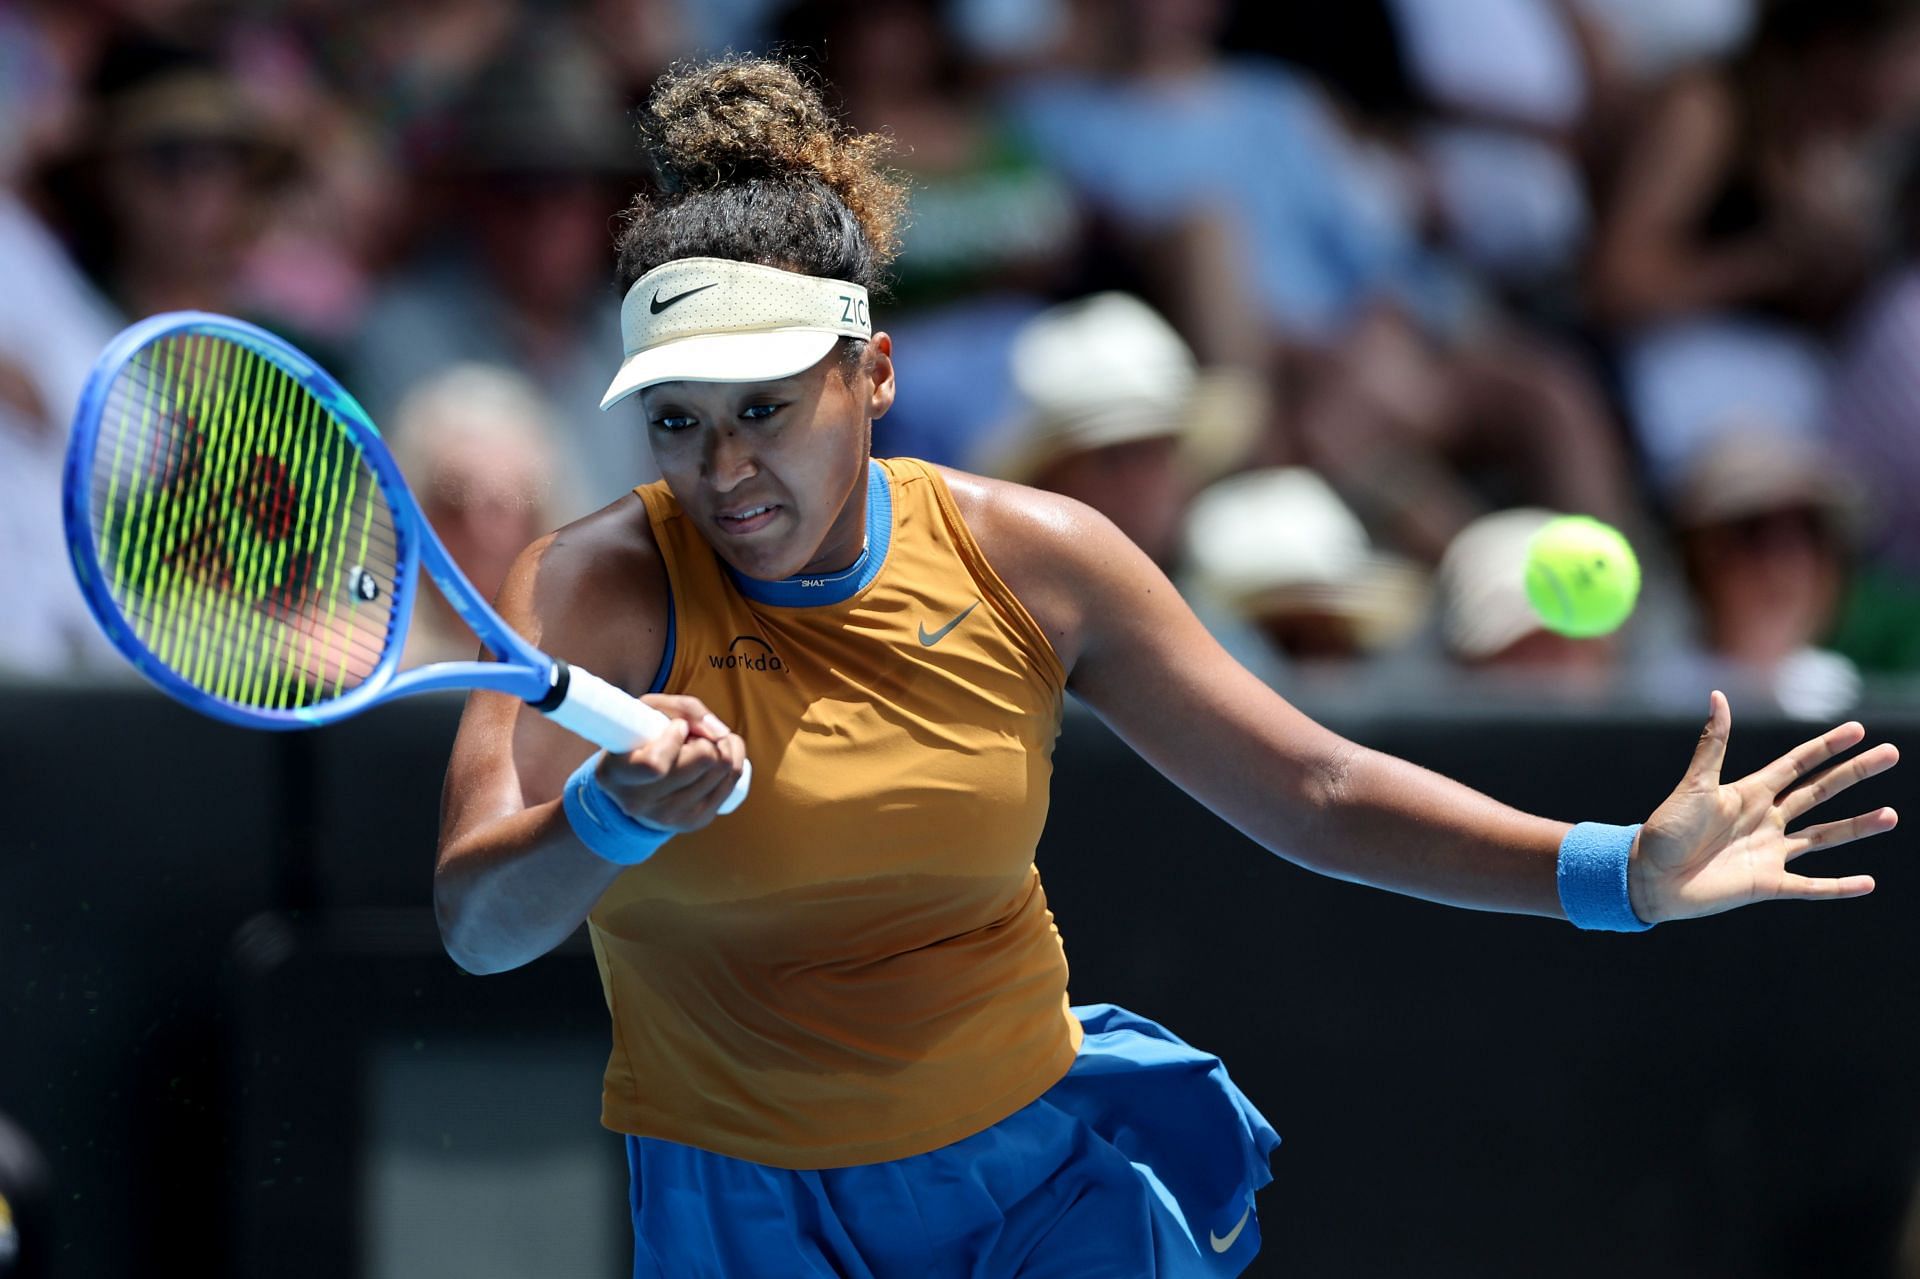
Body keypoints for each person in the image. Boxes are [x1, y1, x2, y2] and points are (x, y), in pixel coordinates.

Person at [433, 57, 1901, 1278]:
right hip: (742, 1217)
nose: (726, 466)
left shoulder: (1037, 556)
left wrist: (1616, 873)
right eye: (678, 421)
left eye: (765, 408)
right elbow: (478, 925)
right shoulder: (587, 586)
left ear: (871, 376)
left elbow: (1314, 787)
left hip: (1037, 1185)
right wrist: (612, 818)